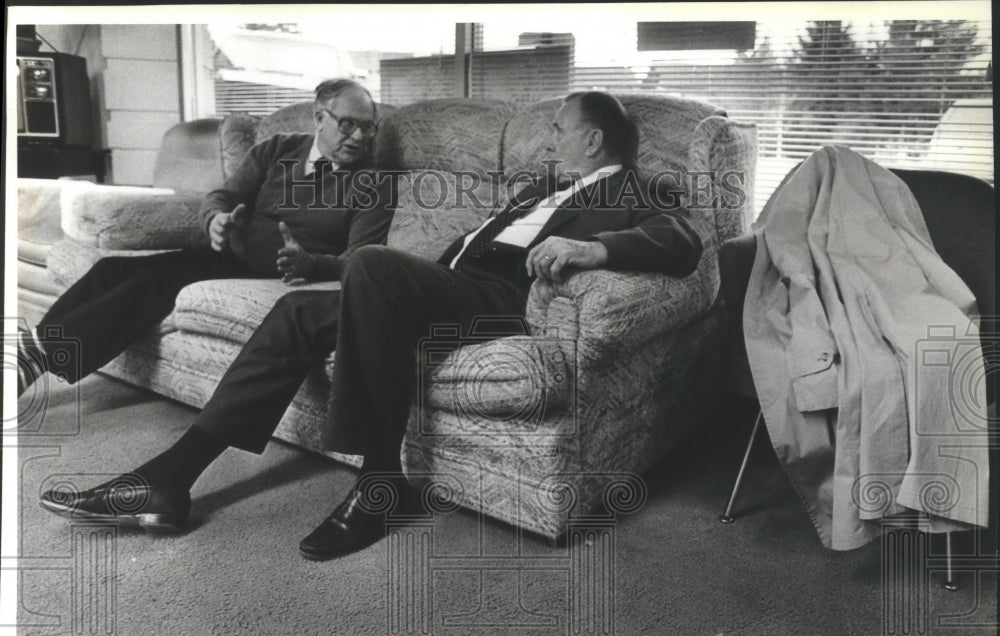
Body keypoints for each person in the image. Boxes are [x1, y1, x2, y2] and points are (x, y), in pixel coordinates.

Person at [40, 91, 704, 562]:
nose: (549, 139)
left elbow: (682, 241)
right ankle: (170, 479)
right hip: (454, 288)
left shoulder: (634, 191)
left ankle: (381, 479)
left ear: (592, 139)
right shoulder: (536, 190)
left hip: (501, 299)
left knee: (374, 265)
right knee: (299, 309)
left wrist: (594, 250)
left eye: (559, 129)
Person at [17, 78, 394, 397]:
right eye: (348, 124)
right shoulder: (277, 148)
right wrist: (214, 217)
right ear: (319, 118)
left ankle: (35, 356)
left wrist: (312, 264)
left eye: (368, 126)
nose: (359, 137)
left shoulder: (373, 183)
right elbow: (225, 196)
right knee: (113, 268)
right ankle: (33, 351)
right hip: (230, 252)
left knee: (154, 282)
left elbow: (359, 259)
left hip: (277, 269)